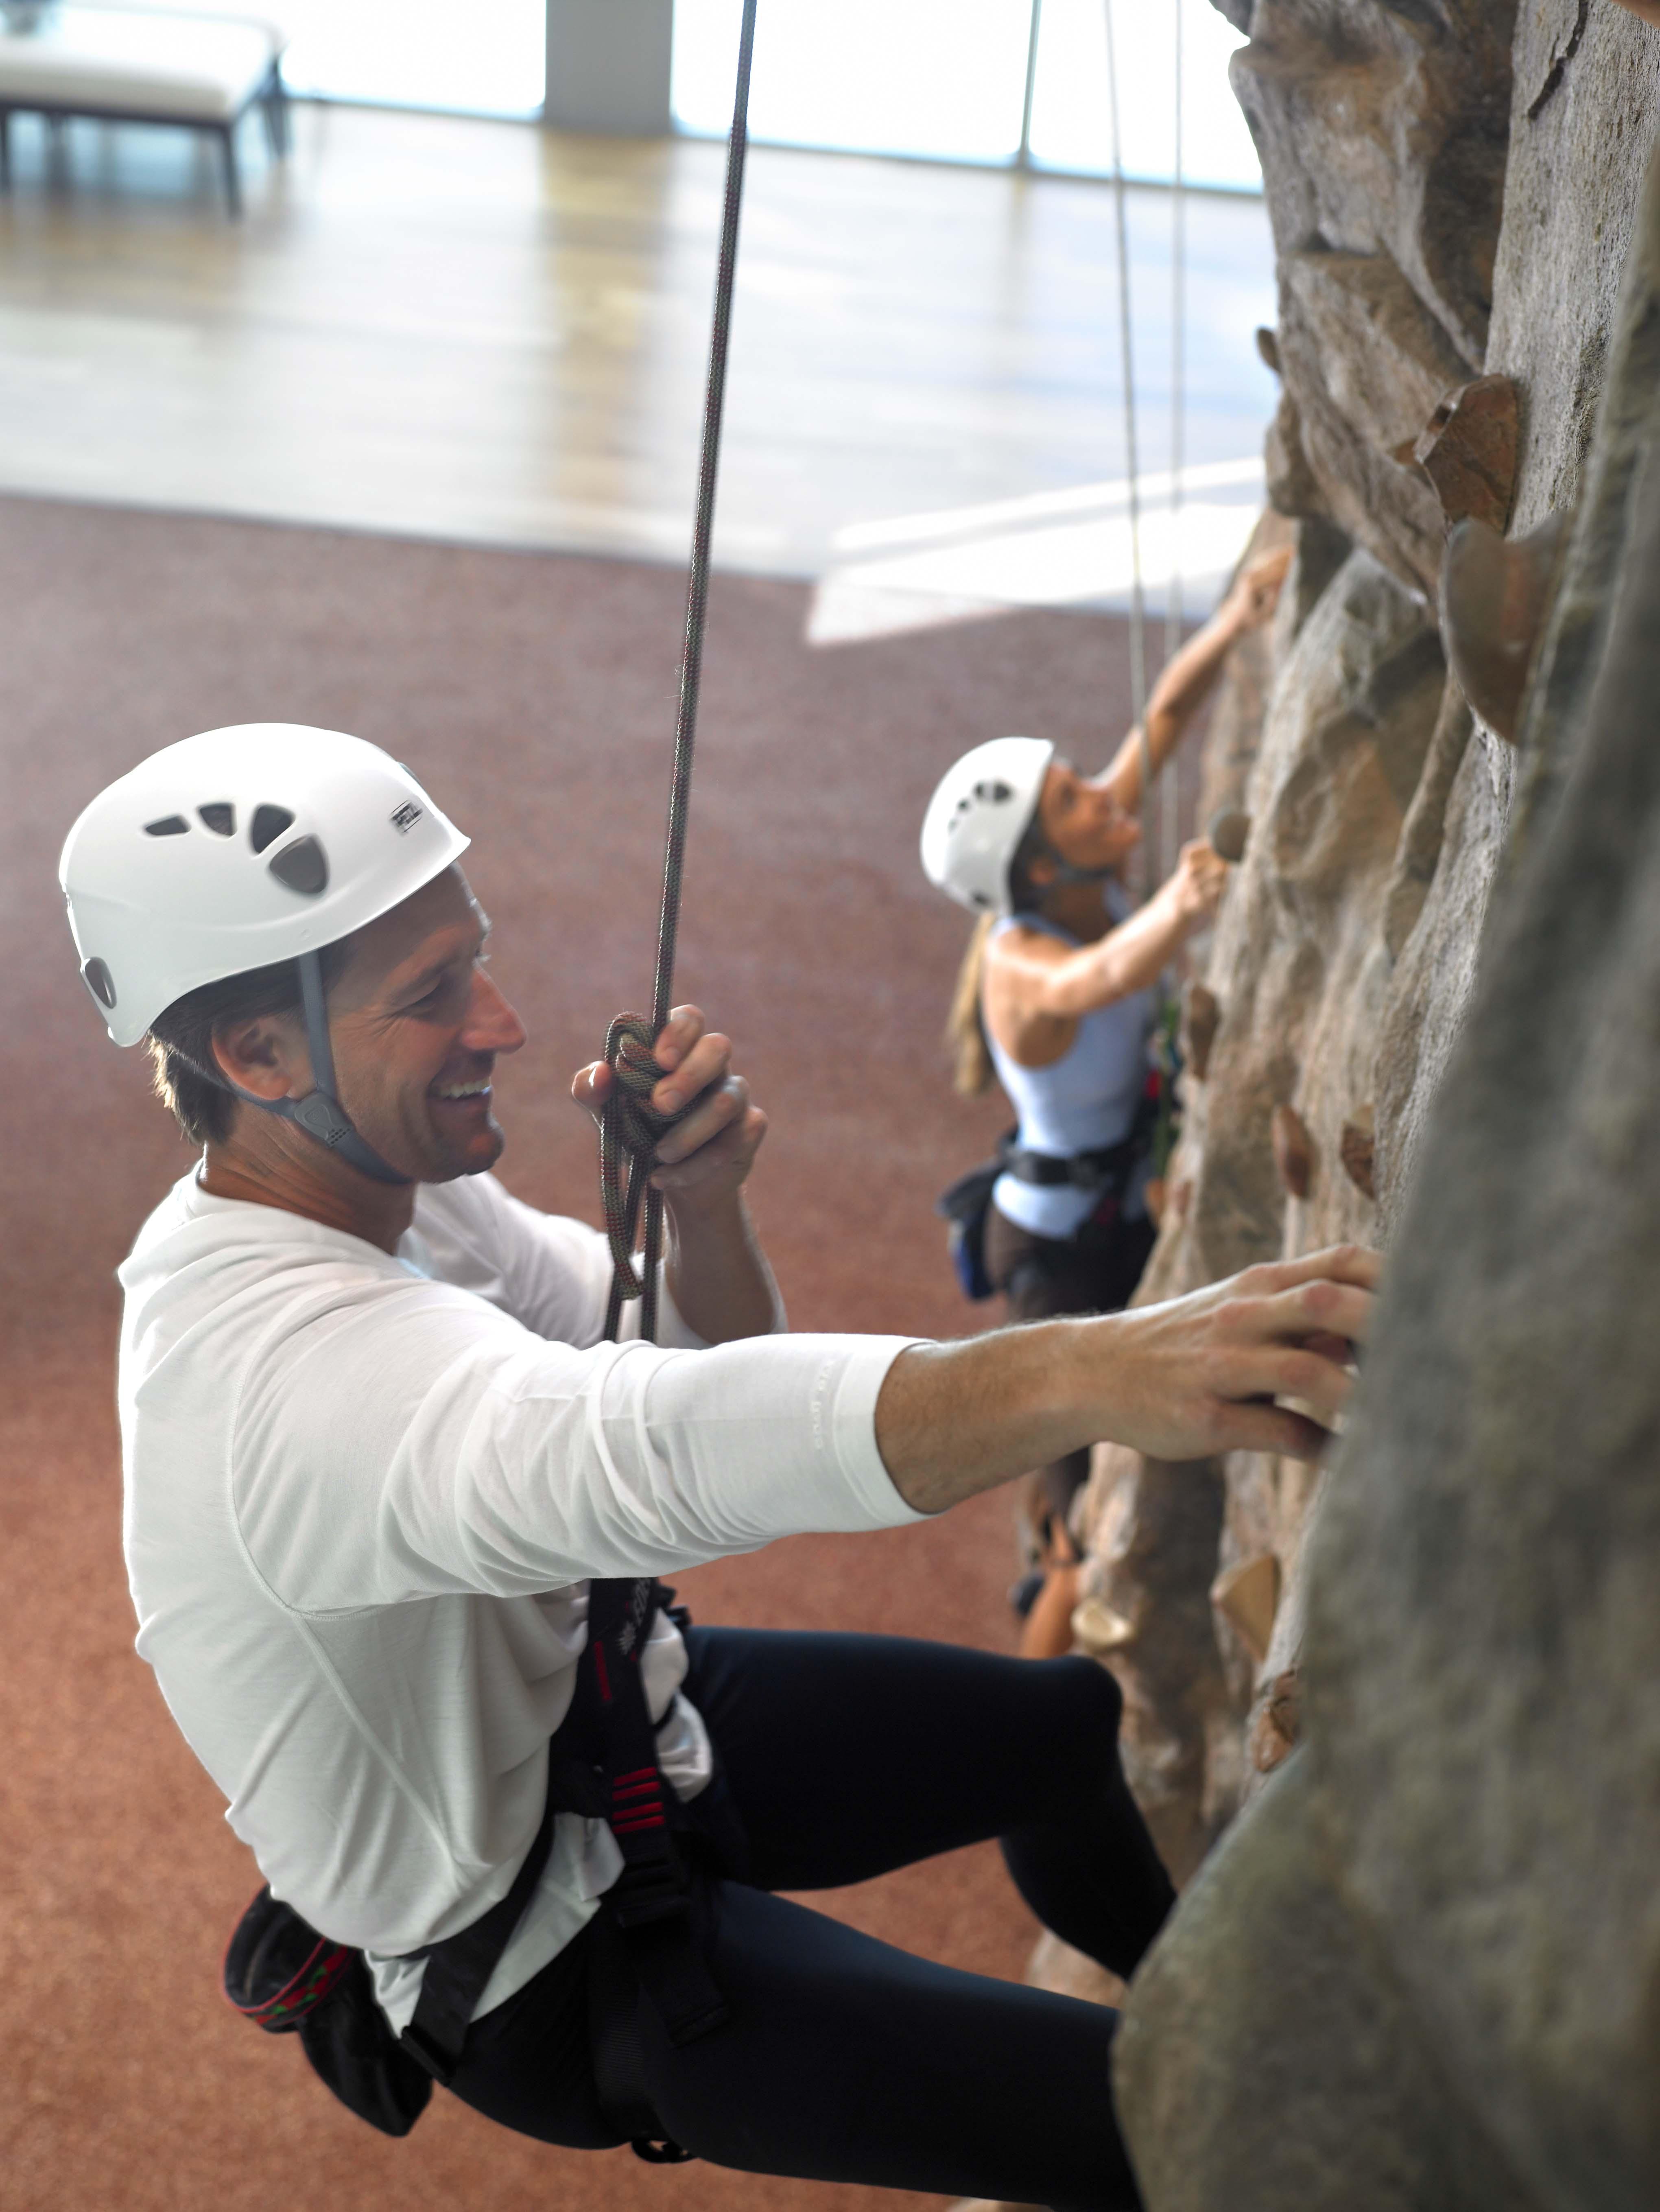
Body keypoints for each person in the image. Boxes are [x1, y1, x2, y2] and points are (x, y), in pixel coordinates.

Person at [61, 721, 1374, 2212]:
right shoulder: (277, 1383)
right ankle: (1211, 2094)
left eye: (474, 958)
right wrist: (1101, 1367)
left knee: (1062, 1724)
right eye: (432, 996)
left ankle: (1215, 2011)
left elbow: (685, 1356)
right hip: (559, 1953)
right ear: (256, 1053)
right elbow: (658, 1451)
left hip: (609, 1725)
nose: (498, 1019)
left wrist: (703, 1208)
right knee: (1164, 2126)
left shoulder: (392, 1194)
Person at [921, 548, 1291, 1653]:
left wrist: (1235, 617)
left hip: (1118, 1207)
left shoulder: (1082, 865)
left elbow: (1168, 717)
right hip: (1056, 1262)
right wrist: (1178, 906)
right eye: (1075, 799)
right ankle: (1043, 1726)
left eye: (1080, 780)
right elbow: (1104, 979)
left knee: (1173, 1407)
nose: (1104, 794)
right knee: (1079, 1523)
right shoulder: (1026, 967)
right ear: (1035, 870)